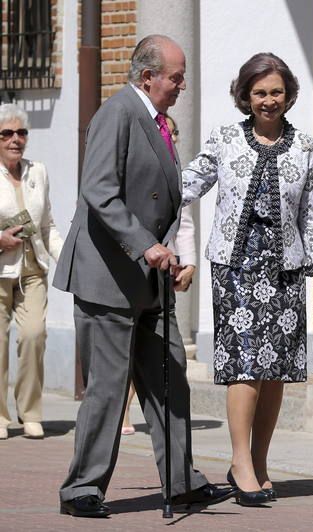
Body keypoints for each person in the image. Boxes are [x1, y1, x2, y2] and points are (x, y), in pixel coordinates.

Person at [53, 35, 235, 518]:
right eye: (175, 77)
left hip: (150, 283)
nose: (181, 86)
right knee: (108, 388)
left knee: (171, 379)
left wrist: (173, 251)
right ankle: (82, 490)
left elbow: (166, 200)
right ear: (146, 75)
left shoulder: (158, 124)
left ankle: (181, 483)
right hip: (108, 276)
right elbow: (98, 190)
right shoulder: (118, 113)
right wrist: (147, 245)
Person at [182, 52, 313, 506]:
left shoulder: (308, 148)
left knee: (276, 371)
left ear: (288, 96)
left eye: (276, 92)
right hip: (235, 266)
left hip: (285, 268)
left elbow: (311, 214)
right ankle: (239, 462)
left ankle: (260, 462)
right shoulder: (225, 140)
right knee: (246, 363)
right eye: (260, 93)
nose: (269, 101)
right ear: (245, 96)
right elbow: (185, 185)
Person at [121, 114, 196, 436]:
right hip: (132, 271)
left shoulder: (178, 173)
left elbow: (185, 221)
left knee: (167, 353)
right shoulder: (139, 168)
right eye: (168, 133)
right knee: (129, 348)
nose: (173, 139)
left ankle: (169, 431)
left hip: (165, 274)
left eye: (175, 133)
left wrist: (189, 263)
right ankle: (121, 413)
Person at [0, 103, 63, 441]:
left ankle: (30, 412)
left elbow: (47, 224)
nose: (15, 139)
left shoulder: (37, 171)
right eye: (7, 133)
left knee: (34, 335)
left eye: (21, 133)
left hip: (32, 270)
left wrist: (65, 258)